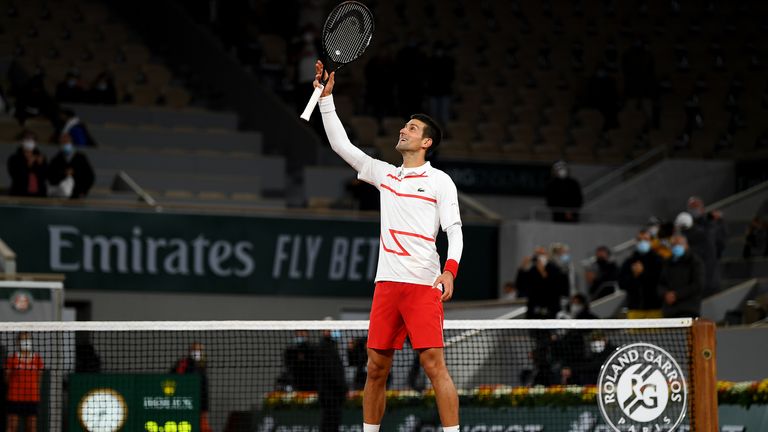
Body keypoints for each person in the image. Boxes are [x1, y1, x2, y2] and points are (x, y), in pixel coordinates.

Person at [313, 60, 463, 432]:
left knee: (433, 366)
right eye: (404, 126)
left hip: (422, 286)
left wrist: (450, 270)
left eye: (411, 128)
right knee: (375, 369)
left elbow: (454, 230)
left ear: (426, 142)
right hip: (387, 286)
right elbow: (340, 144)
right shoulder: (386, 175)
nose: (403, 130)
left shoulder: (440, 181)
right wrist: (326, 100)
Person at [658, 235, 705, 318]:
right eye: (674, 245)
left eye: (679, 244)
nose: (677, 247)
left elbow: (698, 285)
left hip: (688, 309)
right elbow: (660, 283)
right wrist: (665, 294)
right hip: (669, 310)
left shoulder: (695, 262)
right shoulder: (667, 262)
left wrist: (677, 295)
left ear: (686, 245)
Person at [619, 230, 664, 319]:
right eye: (640, 240)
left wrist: (642, 273)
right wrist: (634, 275)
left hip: (655, 308)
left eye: (646, 239)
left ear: (651, 241)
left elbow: (660, 281)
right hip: (634, 309)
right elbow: (621, 284)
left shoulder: (659, 261)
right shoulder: (628, 262)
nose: (642, 242)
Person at [4, 332, 44, 432]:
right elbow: (6, 378)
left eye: (27, 339)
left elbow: (39, 379)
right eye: (22, 339)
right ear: (18, 342)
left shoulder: (37, 359)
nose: (25, 342)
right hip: (15, 397)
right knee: (12, 427)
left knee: (31, 428)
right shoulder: (11, 359)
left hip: (32, 398)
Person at [516, 247, 568, 319]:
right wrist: (522, 267)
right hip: (534, 309)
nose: (539, 256)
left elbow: (555, 287)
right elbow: (520, 285)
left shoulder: (554, 268)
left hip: (550, 308)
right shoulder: (532, 270)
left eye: (541, 253)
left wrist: (542, 271)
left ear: (546, 255)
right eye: (537, 254)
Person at [172, 342, 211, 432]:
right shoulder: (183, 363)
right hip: (185, 402)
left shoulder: (203, 365)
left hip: (201, 404)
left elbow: (204, 388)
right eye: (195, 349)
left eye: (199, 350)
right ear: (190, 351)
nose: (197, 352)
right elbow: (175, 377)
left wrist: (205, 407)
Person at [316, 329, 348, 432]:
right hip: (329, 394)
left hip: (333, 394)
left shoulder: (332, 346)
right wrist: (344, 388)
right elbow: (333, 371)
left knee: (332, 422)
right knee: (328, 422)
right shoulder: (325, 347)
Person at [47, 133, 95, 199]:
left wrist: (84, 191)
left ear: (72, 142)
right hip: (60, 196)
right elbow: (51, 177)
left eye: (67, 141)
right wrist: (64, 173)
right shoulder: (56, 159)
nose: (65, 144)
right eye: (63, 142)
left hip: (77, 195)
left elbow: (89, 176)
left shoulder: (81, 158)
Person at [6, 132, 47, 197]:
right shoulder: (14, 158)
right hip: (19, 194)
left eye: (32, 139)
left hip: (38, 194)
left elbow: (45, 176)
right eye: (27, 139)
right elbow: (15, 176)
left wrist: (40, 165)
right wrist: (28, 165)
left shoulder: (40, 157)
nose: (29, 141)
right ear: (22, 142)